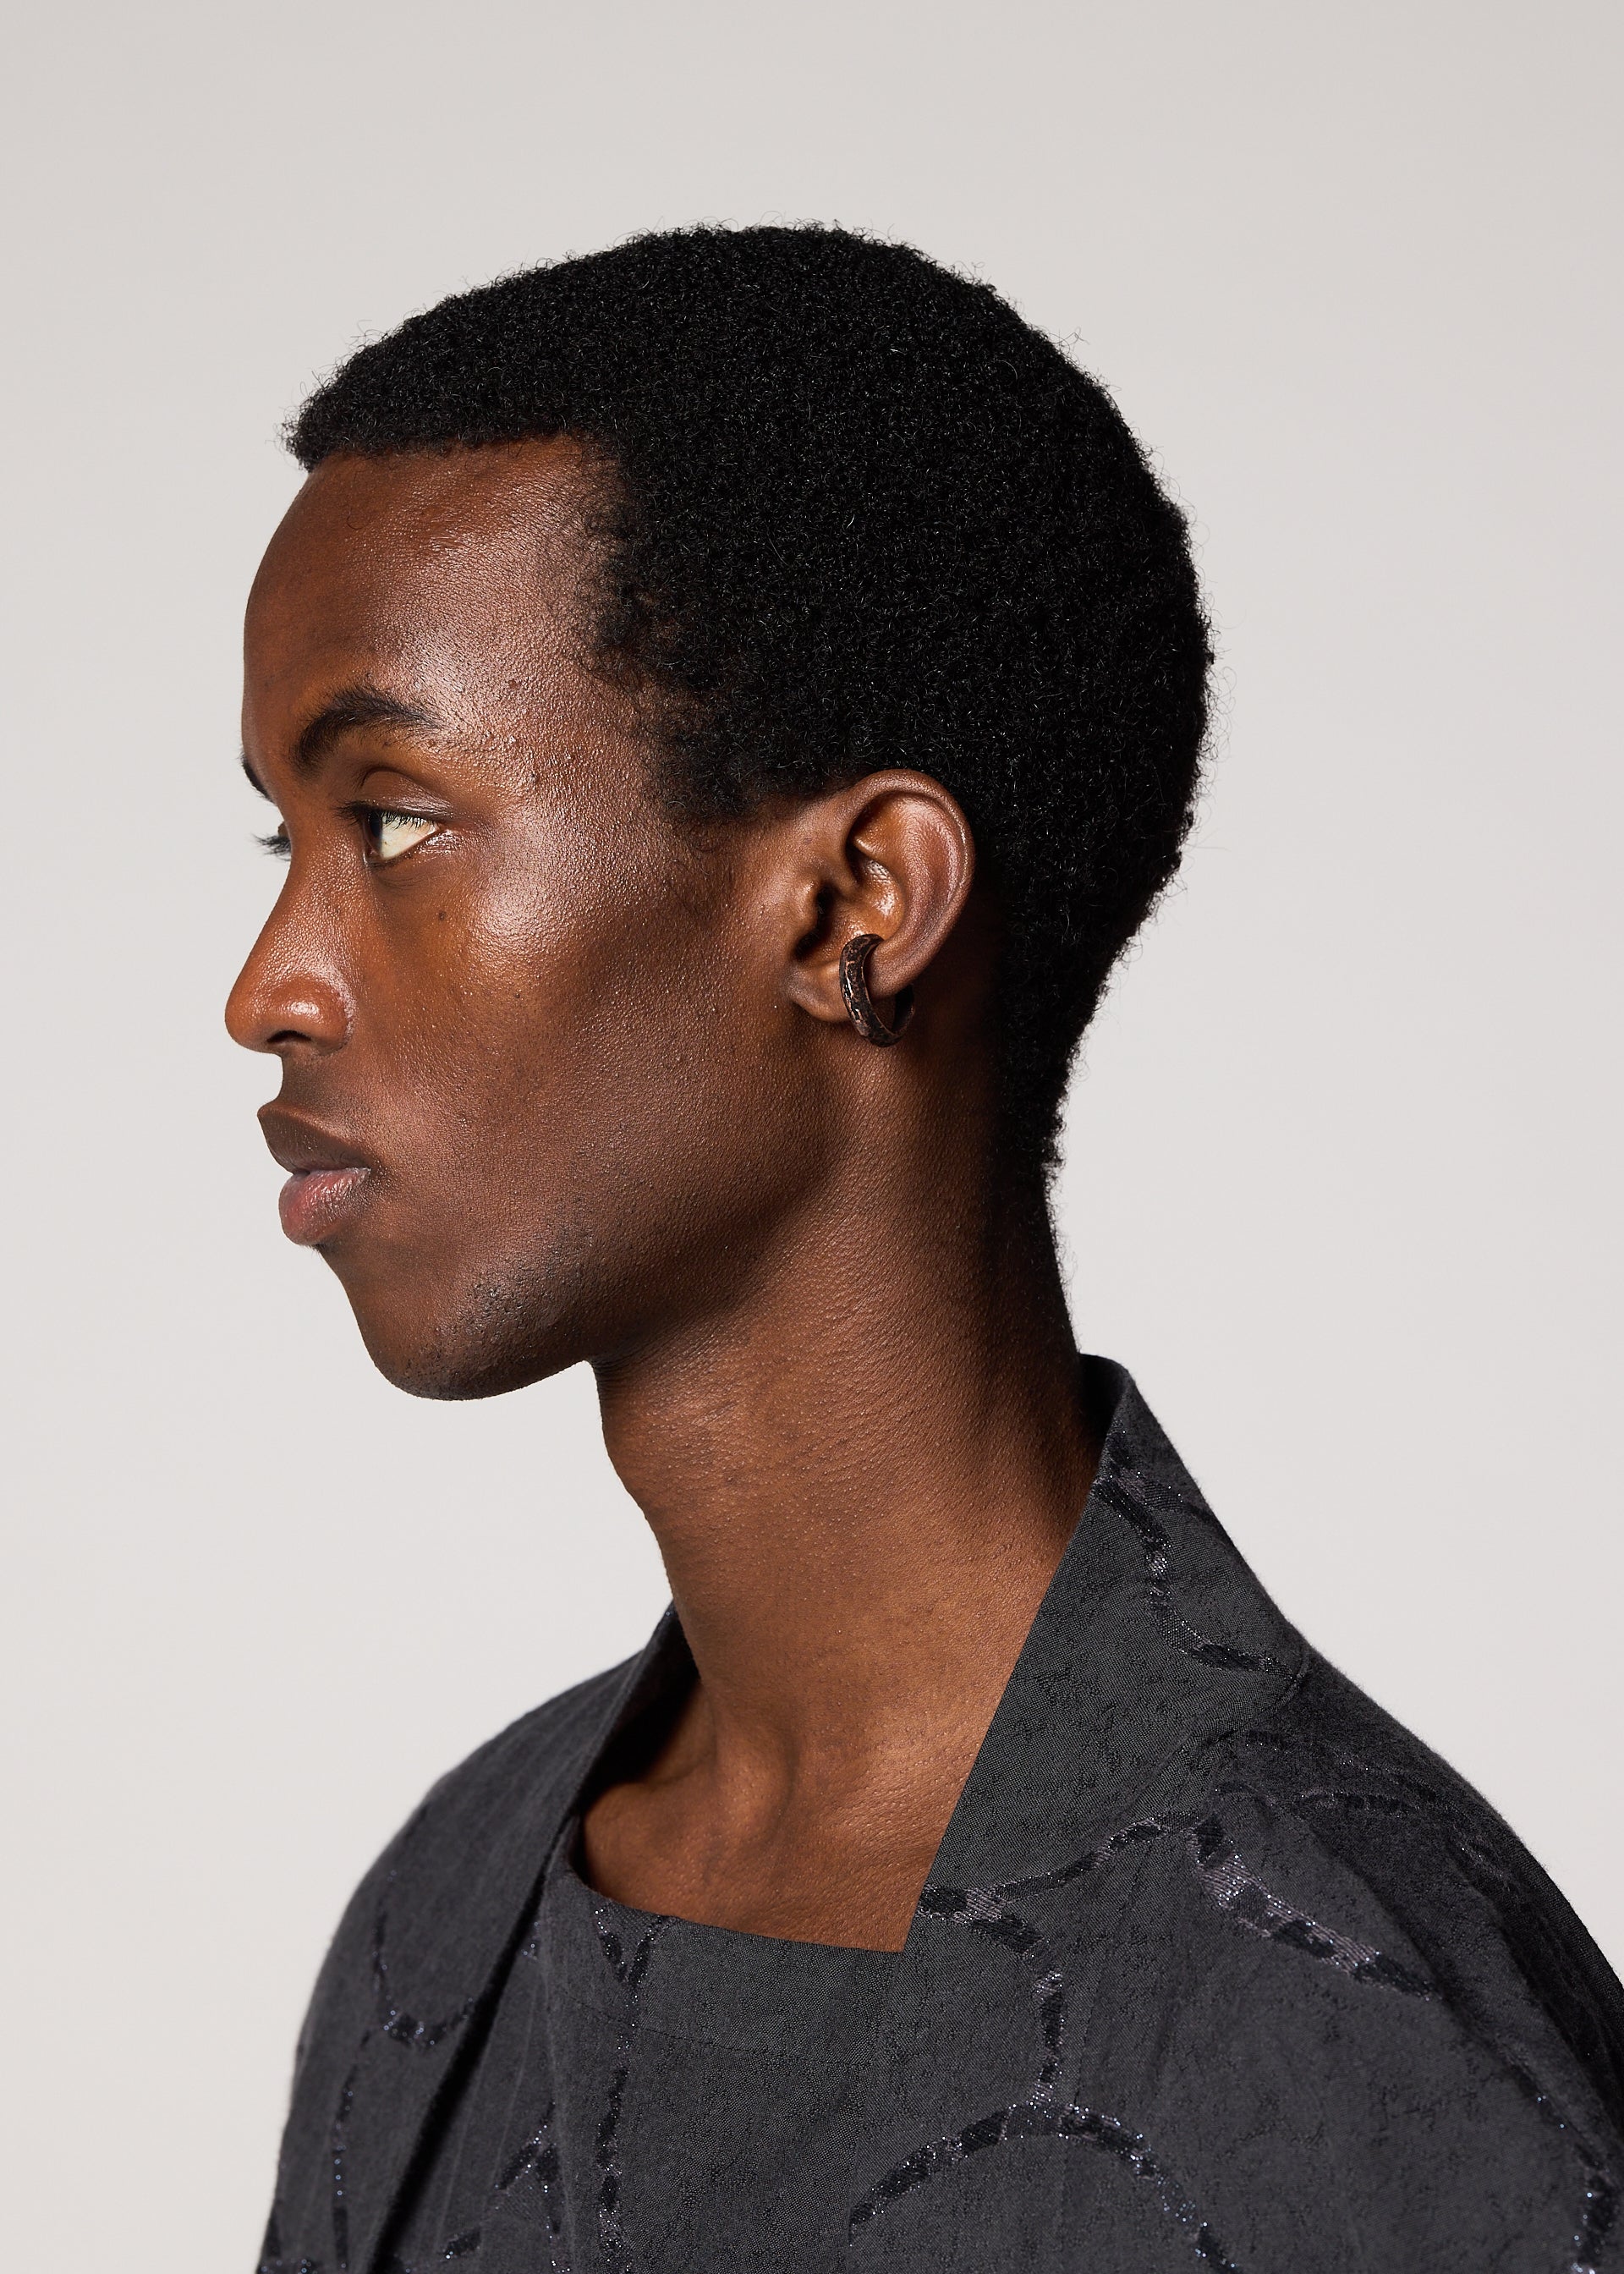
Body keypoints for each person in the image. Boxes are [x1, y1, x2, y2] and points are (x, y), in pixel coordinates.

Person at [230, 225, 1623, 2274]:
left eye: (402, 822)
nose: (269, 985)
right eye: (283, 840)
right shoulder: (452, 1917)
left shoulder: (1384, 2060)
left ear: (856, 905)